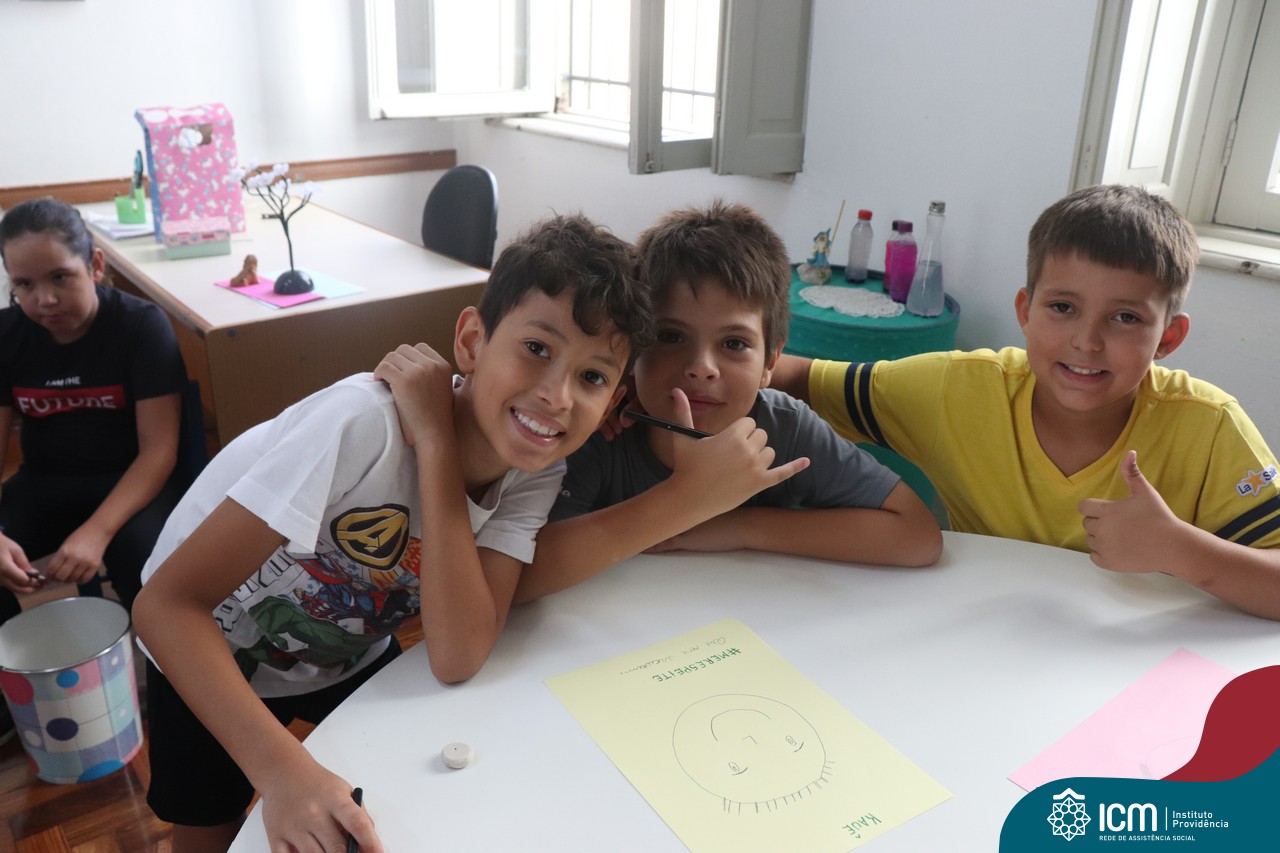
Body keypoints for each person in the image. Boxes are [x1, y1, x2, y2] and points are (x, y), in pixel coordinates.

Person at [132, 213, 656, 853]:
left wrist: (436, 443)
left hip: (344, 650)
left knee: (408, 797)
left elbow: (457, 655)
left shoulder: (535, 475)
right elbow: (164, 606)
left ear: (613, 400)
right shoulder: (363, 424)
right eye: (537, 349)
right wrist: (282, 772)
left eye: (593, 377)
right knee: (208, 828)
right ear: (472, 341)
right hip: (209, 650)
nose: (557, 395)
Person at [770, 184, 1280, 620]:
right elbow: (794, 377)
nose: (1086, 341)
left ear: (1168, 337)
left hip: (1132, 669)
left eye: (1125, 318)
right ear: (1026, 311)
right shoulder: (958, 390)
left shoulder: (1209, 427)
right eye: (1062, 307)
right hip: (980, 643)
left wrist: (1180, 550)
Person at [515, 201, 942, 604]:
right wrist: (683, 502)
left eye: (734, 343)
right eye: (671, 336)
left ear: (770, 362)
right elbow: (520, 572)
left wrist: (739, 526)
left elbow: (917, 535)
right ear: (632, 349)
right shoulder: (599, 429)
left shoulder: (783, 429)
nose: (702, 368)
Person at [0, 197, 185, 620]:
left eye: (60, 277)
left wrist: (96, 532)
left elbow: (158, 452)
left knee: (148, 572)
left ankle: (162, 660)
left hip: (133, 482)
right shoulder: (6, 336)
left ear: (95, 265)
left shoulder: (141, 325)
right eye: (24, 285)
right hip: (45, 481)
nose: (45, 299)